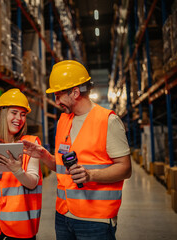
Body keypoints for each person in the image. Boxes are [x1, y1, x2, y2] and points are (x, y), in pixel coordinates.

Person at [22, 60, 131, 240]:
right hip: (63, 214)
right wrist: (44, 155)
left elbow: (126, 168)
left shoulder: (108, 121)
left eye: (58, 95)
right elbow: (61, 168)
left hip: (96, 219)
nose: (56, 101)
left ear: (75, 92)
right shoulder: (63, 121)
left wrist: (91, 176)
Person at [0, 88, 42, 240]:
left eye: (23, 114)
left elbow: (33, 183)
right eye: (14, 112)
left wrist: (18, 171)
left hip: (20, 226)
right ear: (2, 114)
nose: (19, 118)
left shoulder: (31, 144)